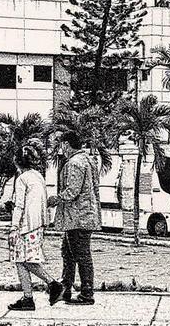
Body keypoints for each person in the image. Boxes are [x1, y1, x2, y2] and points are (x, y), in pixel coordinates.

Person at [7, 145, 64, 311]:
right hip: (38, 224)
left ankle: (49, 286)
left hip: (25, 226)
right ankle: (31, 295)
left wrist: (14, 227)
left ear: (17, 161)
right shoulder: (38, 176)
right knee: (25, 260)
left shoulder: (22, 179)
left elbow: (19, 206)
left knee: (23, 260)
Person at [48, 131, 101, 305]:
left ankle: (86, 293)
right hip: (83, 215)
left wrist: (56, 199)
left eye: (62, 144)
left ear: (67, 144)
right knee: (68, 252)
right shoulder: (88, 159)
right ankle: (66, 288)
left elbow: (72, 190)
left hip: (77, 217)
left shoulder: (75, 162)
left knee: (80, 254)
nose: (61, 147)